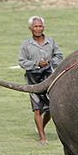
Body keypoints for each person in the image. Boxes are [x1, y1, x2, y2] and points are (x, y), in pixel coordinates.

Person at [18, 16, 63, 144]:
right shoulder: (26, 45)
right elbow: (21, 61)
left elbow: (59, 56)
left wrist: (50, 62)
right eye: (35, 26)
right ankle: (42, 138)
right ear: (30, 28)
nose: (38, 28)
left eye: (40, 26)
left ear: (43, 27)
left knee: (50, 107)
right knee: (37, 108)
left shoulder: (51, 41)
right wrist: (37, 64)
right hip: (33, 78)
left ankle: (40, 128)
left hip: (48, 76)